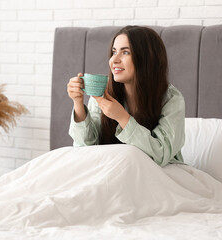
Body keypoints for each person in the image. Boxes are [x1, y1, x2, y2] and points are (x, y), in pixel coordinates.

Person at [67, 25, 185, 167]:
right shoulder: (104, 91)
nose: (114, 60)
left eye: (126, 52)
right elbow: (85, 148)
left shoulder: (172, 99)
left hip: (159, 173)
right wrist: (78, 103)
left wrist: (122, 118)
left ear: (147, 58)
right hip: (112, 169)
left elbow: (161, 154)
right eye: (114, 52)